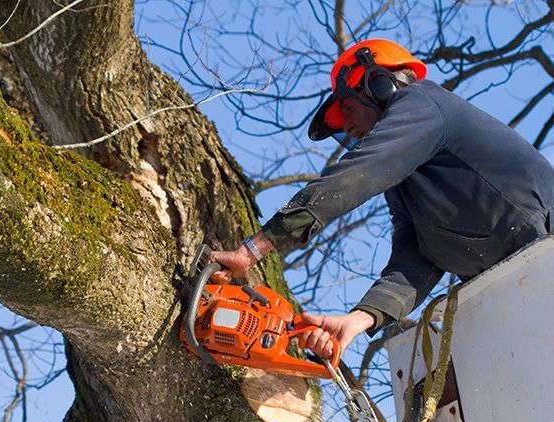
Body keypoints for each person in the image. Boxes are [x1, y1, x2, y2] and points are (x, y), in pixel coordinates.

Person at [211, 38, 554, 359]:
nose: (345, 126)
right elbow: (415, 259)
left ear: (378, 85)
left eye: (346, 108)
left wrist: (253, 248)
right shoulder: (406, 186)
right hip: (521, 285)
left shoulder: (423, 103)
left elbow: (356, 175)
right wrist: (358, 320)